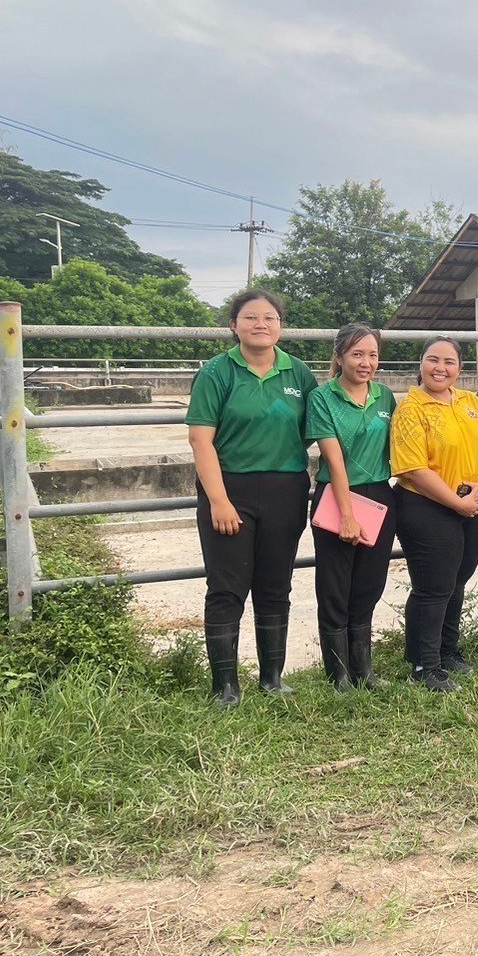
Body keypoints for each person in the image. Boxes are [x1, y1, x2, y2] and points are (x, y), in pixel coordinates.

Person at [186, 288, 316, 707]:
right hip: (230, 490)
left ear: (281, 325)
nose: (261, 324)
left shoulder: (299, 374)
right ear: (233, 325)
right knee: (226, 587)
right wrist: (219, 500)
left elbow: (316, 432)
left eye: (270, 318)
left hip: (286, 489)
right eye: (250, 317)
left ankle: (272, 678)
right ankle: (225, 685)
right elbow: (200, 440)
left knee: (276, 586)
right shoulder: (217, 373)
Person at [391, 337, 478, 692]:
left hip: (472, 501)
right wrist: (458, 503)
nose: (440, 368)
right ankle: (425, 664)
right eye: (432, 360)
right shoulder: (411, 408)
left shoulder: (469, 401)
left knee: (458, 578)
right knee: (434, 585)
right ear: (420, 363)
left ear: (460, 369)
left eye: (449, 362)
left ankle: (448, 650)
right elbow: (414, 469)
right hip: (427, 506)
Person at [305, 323, 397, 691]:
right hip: (336, 496)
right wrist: (345, 515)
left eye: (373, 355)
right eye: (357, 354)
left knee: (369, 584)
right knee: (334, 585)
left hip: (378, 497)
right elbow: (335, 459)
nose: (366, 362)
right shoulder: (322, 398)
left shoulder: (385, 397)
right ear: (339, 356)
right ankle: (338, 675)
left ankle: (365, 670)